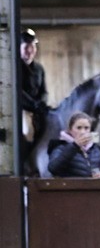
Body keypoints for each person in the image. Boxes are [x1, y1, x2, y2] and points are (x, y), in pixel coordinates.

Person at [18, 28, 49, 169]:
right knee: (27, 132)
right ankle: (25, 165)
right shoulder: (14, 67)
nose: (30, 50)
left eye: (32, 47)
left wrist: (43, 103)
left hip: (37, 108)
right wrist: (34, 104)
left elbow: (44, 90)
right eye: (26, 47)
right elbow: (19, 92)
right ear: (20, 48)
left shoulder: (39, 68)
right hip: (22, 109)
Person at [48, 111, 100, 179]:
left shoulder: (95, 149)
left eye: (86, 128)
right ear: (70, 130)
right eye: (79, 128)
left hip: (91, 188)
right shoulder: (60, 147)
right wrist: (75, 145)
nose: (83, 132)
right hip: (70, 187)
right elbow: (53, 168)